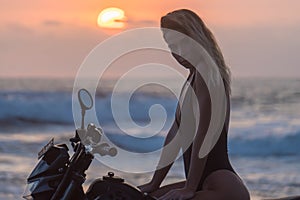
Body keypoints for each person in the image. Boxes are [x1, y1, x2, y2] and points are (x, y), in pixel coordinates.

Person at [138, 9, 250, 200]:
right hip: (204, 183)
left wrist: (189, 188)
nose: (177, 53)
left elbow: (203, 135)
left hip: (222, 187)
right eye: (171, 46)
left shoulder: (207, 72)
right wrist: (154, 183)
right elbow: (175, 136)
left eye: (183, 44)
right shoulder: (193, 75)